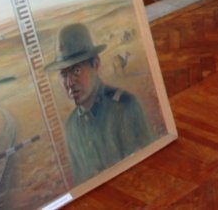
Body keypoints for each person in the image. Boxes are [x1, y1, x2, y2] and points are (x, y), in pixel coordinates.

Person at [47, 23, 154, 184]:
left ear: (96, 65)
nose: (69, 83)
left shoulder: (125, 107)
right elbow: (81, 182)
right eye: (64, 74)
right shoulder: (71, 127)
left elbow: (148, 169)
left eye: (76, 71)